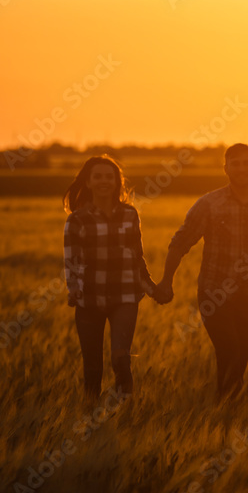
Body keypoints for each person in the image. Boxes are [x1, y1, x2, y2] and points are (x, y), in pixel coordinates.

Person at [153, 143, 248, 399]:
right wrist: (167, 280)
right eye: (236, 163)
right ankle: (226, 409)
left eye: (247, 163)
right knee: (229, 351)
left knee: (239, 358)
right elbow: (181, 241)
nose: (242, 168)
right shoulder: (210, 204)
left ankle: (225, 409)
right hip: (214, 293)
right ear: (226, 168)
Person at [63, 155, 157, 401]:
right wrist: (73, 289)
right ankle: (91, 407)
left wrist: (150, 287)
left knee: (120, 357)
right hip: (89, 298)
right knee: (93, 365)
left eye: (109, 177)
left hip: (125, 295)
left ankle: (124, 405)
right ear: (89, 182)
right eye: (98, 177)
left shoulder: (129, 214)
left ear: (118, 182)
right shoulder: (77, 219)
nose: (104, 181)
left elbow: (137, 256)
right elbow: (72, 260)